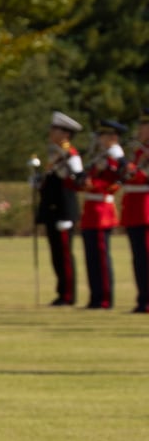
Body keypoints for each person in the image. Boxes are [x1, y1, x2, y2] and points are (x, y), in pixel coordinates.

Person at [73, 118, 126, 309]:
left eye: (103, 135)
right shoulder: (100, 157)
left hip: (102, 211)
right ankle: (95, 297)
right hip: (91, 211)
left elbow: (113, 183)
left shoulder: (114, 159)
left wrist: (92, 185)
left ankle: (104, 298)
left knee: (101, 259)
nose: (99, 139)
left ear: (112, 138)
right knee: (91, 259)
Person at [34, 111, 84, 306]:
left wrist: (66, 213)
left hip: (63, 211)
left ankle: (68, 294)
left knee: (64, 254)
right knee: (56, 254)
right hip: (52, 210)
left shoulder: (70, 154)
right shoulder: (54, 153)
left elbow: (76, 181)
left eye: (55, 129)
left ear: (65, 134)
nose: (51, 131)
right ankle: (62, 292)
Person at [122, 108, 149, 313]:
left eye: (144, 125)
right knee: (139, 259)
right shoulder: (139, 151)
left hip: (146, 210)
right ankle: (143, 299)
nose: (140, 129)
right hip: (134, 210)